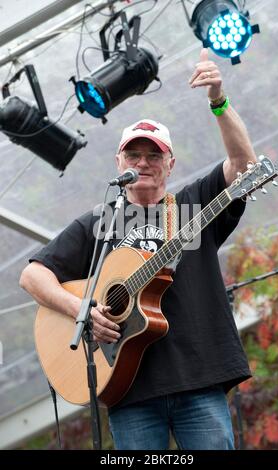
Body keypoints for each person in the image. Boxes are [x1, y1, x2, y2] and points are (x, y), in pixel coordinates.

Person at [20, 48, 257, 450]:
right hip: (127, 389)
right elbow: (32, 275)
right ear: (119, 162)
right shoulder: (98, 222)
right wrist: (82, 310)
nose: (143, 162)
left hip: (198, 381)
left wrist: (219, 100)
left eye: (154, 155)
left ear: (171, 163)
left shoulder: (192, 205)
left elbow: (245, 166)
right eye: (134, 154)